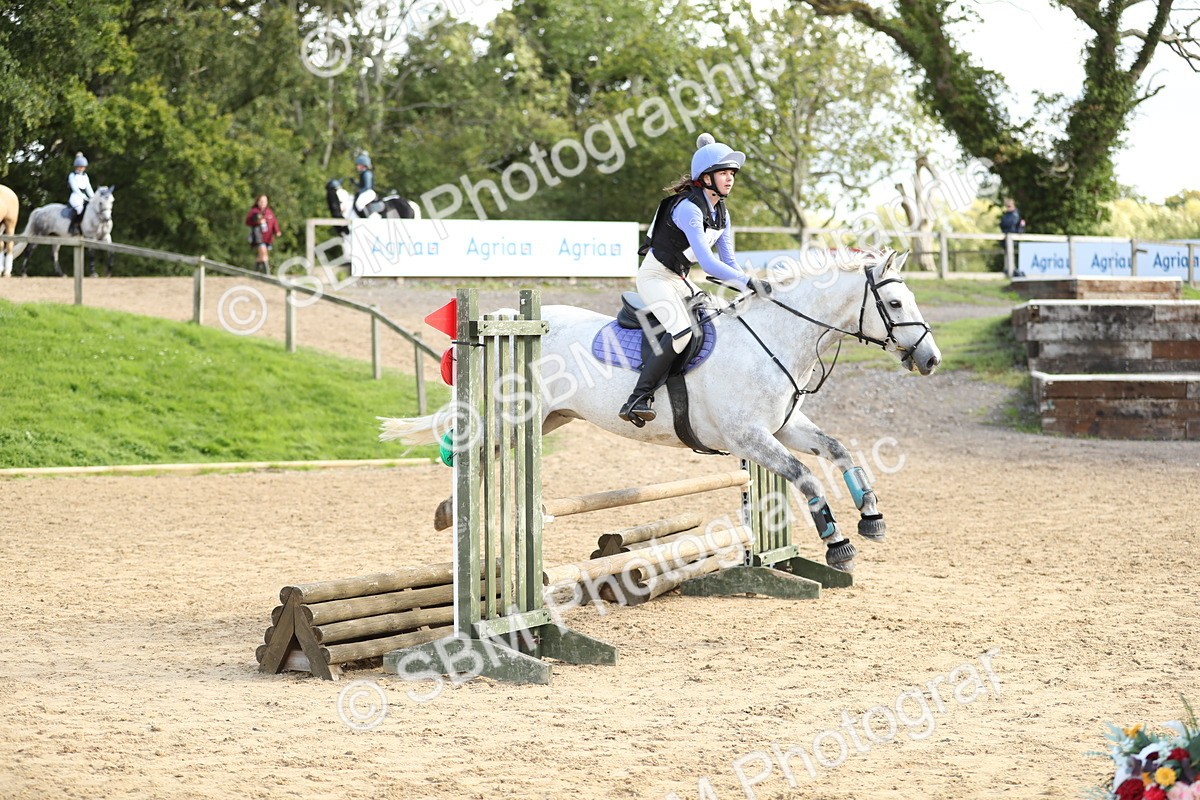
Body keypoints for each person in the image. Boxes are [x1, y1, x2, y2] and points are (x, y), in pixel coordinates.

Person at [618, 132, 768, 425]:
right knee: (683, 330)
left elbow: (729, 261)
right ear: (706, 178)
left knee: (713, 320)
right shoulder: (688, 207)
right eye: (723, 173)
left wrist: (746, 284)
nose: (730, 179)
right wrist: (748, 283)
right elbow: (710, 264)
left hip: (679, 278)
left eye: (732, 174)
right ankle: (637, 398)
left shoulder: (722, 214)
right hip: (654, 276)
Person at [245, 194, 282, 273]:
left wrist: (277, 231)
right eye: (261, 201)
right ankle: (267, 273)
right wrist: (257, 221)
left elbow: (274, 222)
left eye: (264, 201)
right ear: (258, 202)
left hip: (268, 238)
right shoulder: (254, 211)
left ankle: (255, 272)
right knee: (264, 253)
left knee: (261, 256)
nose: (263, 203)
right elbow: (247, 222)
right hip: (258, 237)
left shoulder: (269, 212)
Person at [67, 153, 95, 235]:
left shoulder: (85, 176)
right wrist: (83, 196)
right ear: (76, 166)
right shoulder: (72, 175)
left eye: (83, 167)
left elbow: (88, 188)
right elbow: (75, 188)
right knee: (79, 209)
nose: (82, 168)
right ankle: (73, 226)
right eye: (80, 166)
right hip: (75, 196)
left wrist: (93, 197)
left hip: (84, 196)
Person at [351, 152, 377, 217]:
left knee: (359, 204)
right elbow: (361, 186)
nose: (357, 166)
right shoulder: (363, 173)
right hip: (366, 192)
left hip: (369, 192)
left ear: (362, 165)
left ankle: (365, 220)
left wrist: (359, 191)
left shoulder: (367, 173)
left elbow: (367, 186)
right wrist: (354, 182)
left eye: (358, 165)